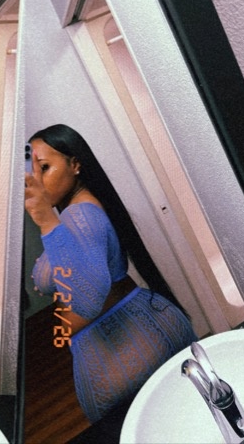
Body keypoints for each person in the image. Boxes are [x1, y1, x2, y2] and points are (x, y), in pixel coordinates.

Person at [25, 124, 196, 424]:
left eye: (45, 167)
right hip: (129, 332)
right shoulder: (80, 209)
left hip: (125, 346)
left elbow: (88, 299)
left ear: (75, 164)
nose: (36, 180)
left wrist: (46, 221)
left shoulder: (79, 215)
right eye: (31, 171)